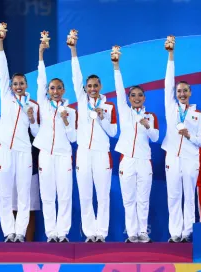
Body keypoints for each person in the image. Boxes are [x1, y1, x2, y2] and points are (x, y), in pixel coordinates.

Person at [69, 37, 117, 243]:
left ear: (101, 86)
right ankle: (90, 232)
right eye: (89, 86)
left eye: (96, 85)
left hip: (101, 153)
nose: (92, 88)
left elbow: (113, 133)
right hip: (83, 153)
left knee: (103, 194)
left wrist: (103, 118)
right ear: (86, 88)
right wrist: (73, 50)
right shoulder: (81, 101)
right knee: (85, 194)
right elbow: (75, 76)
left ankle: (102, 233)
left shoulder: (109, 107)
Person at [0, 28, 40, 242]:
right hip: (5, 150)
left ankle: (20, 232)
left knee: (23, 194)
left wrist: (31, 119)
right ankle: (8, 232)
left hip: (24, 151)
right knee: (5, 194)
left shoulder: (33, 105)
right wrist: (0, 45)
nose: (18, 86)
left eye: (22, 83)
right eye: (15, 83)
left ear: (26, 85)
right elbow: (3, 70)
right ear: (11, 86)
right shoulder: (6, 98)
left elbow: (37, 133)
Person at [112, 48, 159, 243]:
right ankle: (131, 233)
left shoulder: (150, 116)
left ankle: (143, 232)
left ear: (144, 98)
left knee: (143, 199)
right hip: (127, 161)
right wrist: (116, 66)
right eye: (133, 95)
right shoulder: (123, 111)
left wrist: (147, 127)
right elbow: (118, 87)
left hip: (144, 161)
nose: (137, 98)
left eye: (140, 95)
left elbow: (155, 138)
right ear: (129, 98)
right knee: (128, 199)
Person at [162, 38, 201, 243]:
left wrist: (190, 136)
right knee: (173, 196)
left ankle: (188, 232)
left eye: (185, 91)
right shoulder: (170, 108)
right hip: (172, 156)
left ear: (190, 93)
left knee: (190, 196)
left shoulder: (198, 115)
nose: (181, 93)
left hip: (190, 158)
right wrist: (171, 55)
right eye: (179, 91)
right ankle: (175, 233)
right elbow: (168, 83)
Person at [34, 42, 77, 242]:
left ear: (64, 90)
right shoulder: (43, 104)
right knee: (47, 194)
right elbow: (40, 80)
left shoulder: (71, 111)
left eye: (59, 88)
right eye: (52, 88)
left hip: (64, 154)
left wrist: (67, 122)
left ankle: (63, 232)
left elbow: (73, 138)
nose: (56, 91)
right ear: (48, 91)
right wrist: (41, 54)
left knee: (65, 194)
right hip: (45, 154)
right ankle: (51, 233)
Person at [12, 130, 40, 242]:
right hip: (13, 169)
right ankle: (14, 240)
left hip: (31, 169)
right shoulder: (9, 120)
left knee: (30, 208)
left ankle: (29, 243)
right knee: (14, 207)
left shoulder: (32, 121)